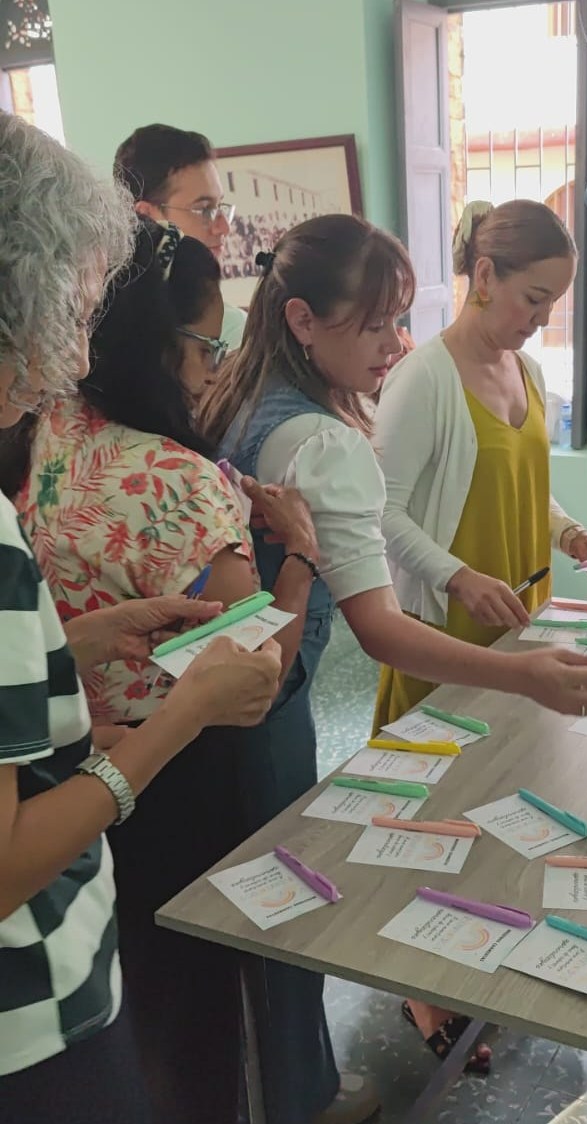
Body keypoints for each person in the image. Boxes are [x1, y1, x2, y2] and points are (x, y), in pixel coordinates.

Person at [198, 213, 587, 1092]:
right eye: (380, 322)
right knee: (412, 830)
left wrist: (571, 537)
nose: (396, 343)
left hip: (299, 665)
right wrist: (487, 621)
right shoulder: (336, 430)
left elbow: (511, 482)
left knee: (501, 806)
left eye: (400, 319)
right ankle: (326, 1068)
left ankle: (300, 1073)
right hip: (343, 659)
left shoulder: (267, 401)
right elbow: (379, 604)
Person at [10, 215, 326, 1123]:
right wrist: (297, 554)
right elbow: (254, 674)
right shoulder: (180, 477)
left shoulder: (49, 432)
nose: (216, 365)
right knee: (199, 1018)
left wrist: (82, 642)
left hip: (72, 754)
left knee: (143, 992)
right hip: (163, 770)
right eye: (204, 342)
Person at [373, 200, 587, 730]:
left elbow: (519, 486)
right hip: (449, 630)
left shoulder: (529, 373)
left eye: (553, 303)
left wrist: (570, 535)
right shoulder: (423, 379)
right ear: (484, 275)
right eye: (534, 299)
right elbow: (382, 513)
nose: (543, 320)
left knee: (517, 763)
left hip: (523, 617)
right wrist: (458, 577)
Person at [114, 123, 246, 350]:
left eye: (220, 207)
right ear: (144, 215)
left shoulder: (234, 330)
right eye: (203, 209)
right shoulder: (98, 327)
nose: (223, 227)